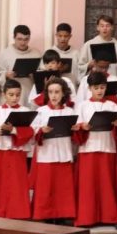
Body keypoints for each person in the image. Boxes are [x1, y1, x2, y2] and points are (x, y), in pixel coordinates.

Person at [0, 79, 34, 219]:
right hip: (0, 154)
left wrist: (14, 130)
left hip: (17, 154)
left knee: (17, 184)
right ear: (4, 94)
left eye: (17, 94)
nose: (15, 98)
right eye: (11, 94)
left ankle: (18, 213)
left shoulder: (25, 111)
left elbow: (29, 132)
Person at [74, 72, 117, 227]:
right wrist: (83, 126)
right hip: (88, 148)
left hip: (107, 146)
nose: (100, 91)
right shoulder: (82, 106)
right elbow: (76, 127)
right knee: (89, 185)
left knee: (106, 183)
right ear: (89, 88)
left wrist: (116, 124)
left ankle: (109, 216)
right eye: (96, 88)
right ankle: (87, 217)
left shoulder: (112, 106)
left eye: (102, 87)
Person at [31, 77, 78, 223]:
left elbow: (76, 137)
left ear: (64, 93)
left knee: (63, 187)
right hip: (47, 153)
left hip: (64, 151)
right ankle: (45, 215)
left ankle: (64, 214)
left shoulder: (70, 111)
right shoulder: (41, 111)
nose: (54, 95)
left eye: (57, 92)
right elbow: (32, 131)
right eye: (51, 92)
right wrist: (41, 130)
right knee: (46, 187)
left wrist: (75, 129)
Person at [0, 25, 43, 106]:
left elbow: (41, 74)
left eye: (26, 39)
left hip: (29, 92)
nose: (23, 43)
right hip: (11, 93)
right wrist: (6, 75)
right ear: (14, 37)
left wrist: (35, 75)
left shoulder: (36, 54)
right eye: (19, 39)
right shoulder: (4, 54)